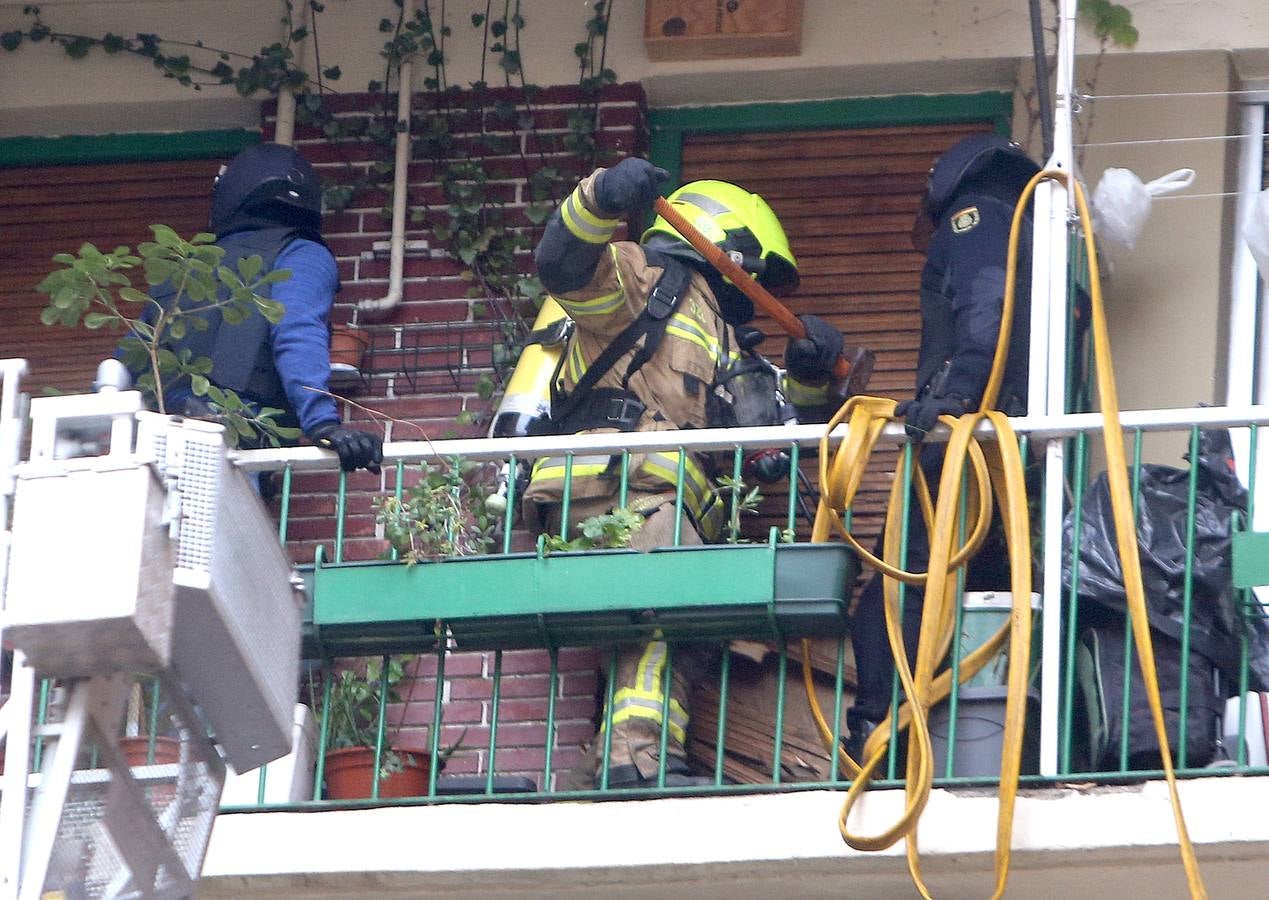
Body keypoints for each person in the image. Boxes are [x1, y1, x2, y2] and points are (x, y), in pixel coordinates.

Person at [526, 157, 851, 789]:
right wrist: (601, 195)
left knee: (683, 636)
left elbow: (771, 452)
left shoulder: (723, 336)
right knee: (662, 608)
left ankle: (613, 761)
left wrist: (811, 379)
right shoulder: (640, 278)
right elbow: (561, 263)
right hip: (612, 491)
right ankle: (635, 761)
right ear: (725, 247)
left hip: (665, 506)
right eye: (753, 273)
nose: (753, 289)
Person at [845, 133, 1041, 759]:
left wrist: (955, 399)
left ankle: (878, 736)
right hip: (1007, 454)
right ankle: (963, 742)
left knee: (892, 589)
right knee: (985, 591)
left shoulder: (979, 217)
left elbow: (989, 306)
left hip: (964, 443)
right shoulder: (1035, 231)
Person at [118, 142, 382, 473]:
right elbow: (296, 329)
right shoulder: (302, 254)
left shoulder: (186, 270)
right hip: (231, 446)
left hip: (150, 451)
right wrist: (323, 424)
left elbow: (123, 364)